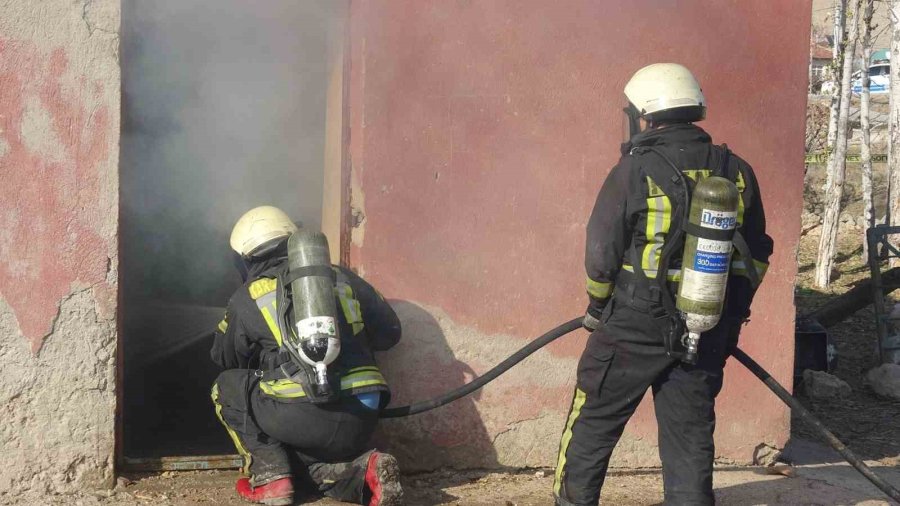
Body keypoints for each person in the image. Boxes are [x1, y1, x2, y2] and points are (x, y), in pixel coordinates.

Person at [553, 63, 774, 505]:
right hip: (705, 322)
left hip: (634, 321)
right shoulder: (738, 171)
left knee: (594, 418)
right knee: (690, 434)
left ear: (647, 115)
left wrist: (597, 310)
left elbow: (601, 256)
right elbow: (758, 252)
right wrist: (730, 314)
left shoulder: (634, 171)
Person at [210, 205, 404, 506]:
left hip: (303, 420)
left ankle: (270, 477)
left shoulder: (248, 295)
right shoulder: (343, 278)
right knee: (308, 467)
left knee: (227, 386)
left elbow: (225, 359)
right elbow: (390, 334)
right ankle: (366, 471)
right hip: (363, 417)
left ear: (246, 258)